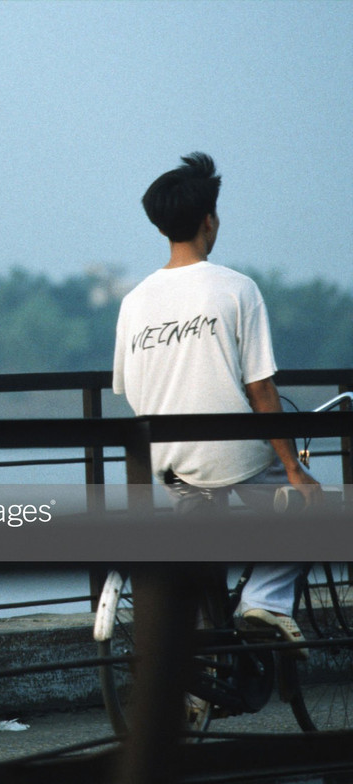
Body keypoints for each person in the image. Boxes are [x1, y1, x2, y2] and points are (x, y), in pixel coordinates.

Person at [112, 152, 321, 658]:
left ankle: (200, 668)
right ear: (210, 219)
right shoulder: (235, 289)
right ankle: (265, 603)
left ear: (162, 225)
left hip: (169, 465)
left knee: (199, 554)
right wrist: (293, 467)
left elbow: (130, 390)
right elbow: (262, 391)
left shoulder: (134, 301)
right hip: (234, 463)